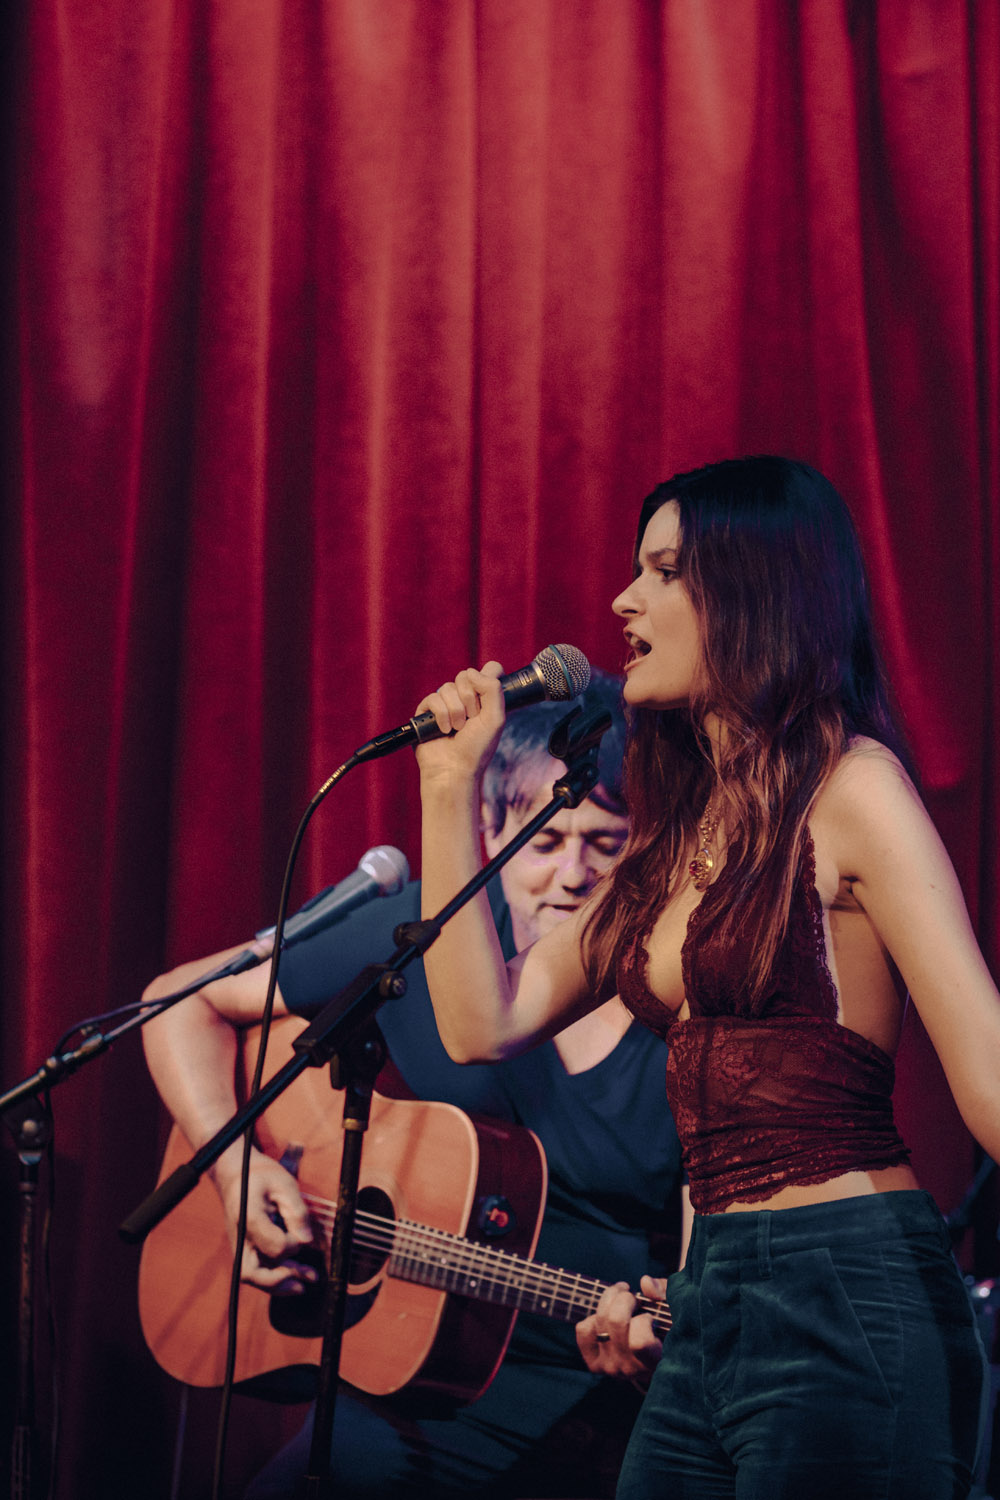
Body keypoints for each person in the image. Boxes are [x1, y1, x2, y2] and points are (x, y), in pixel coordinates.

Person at [413, 455, 998, 1500]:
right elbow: (479, 1022)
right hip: (707, 1297)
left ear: (754, 594)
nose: (622, 600)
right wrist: (448, 787)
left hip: (846, 1283)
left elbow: (989, 1080)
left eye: (664, 571)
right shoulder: (675, 842)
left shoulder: (853, 787)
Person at [140, 671, 684, 1499]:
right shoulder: (426, 930)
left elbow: (714, 1269)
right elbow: (179, 1004)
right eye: (544, 842)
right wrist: (237, 1173)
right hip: (412, 1396)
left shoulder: (683, 999)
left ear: (649, 844)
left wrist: (661, 1345)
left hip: (595, 1406)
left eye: (604, 843)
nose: (571, 874)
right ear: (492, 830)